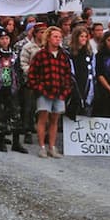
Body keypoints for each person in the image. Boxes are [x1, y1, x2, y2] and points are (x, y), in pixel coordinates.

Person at [27, 26, 72, 159]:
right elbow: (32, 75)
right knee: (43, 119)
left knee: (55, 120)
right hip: (44, 91)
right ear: (48, 38)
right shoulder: (40, 55)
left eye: (59, 37)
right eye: (55, 36)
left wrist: (66, 90)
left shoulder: (63, 55)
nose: (58, 39)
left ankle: (52, 147)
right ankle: (42, 147)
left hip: (59, 92)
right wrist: (39, 88)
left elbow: (68, 74)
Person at [19, 22, 47, 144]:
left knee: (43, 107)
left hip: (45, 81)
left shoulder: (48, 47)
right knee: (29, 107)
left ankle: (43, 131)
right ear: (35, 33)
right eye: (41, 32)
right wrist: (32, 72)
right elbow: (23, 64)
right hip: (31, 81)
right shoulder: (28, 47)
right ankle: (27, 131)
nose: (43, 34)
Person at [66, 26, 95, 121]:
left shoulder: (89, 53)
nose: (84, 39)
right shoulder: (70, 53)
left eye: (85, 36)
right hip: (75, 84)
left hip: (86, 84)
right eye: (81, 36)